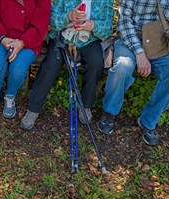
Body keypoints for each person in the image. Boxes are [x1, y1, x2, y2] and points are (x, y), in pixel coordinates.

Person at [20, 0, 115, 129]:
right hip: (63, 38)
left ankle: (85, 105)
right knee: (50, 65)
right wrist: (68, 17)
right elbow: (51, 20)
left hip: (89, 40)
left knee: (96, 62)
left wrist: (93, 25)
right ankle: (33, 109)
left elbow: (107, 29)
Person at [98, 0, 169, 146]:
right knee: (123, 66)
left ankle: (148, 120)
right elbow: (124, 22)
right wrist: (139, 52)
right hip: (130, 39)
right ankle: (110, 111)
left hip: (160, 45)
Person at [0, 0, 51, 119]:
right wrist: (2, 38)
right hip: (2, 38)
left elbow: (41, 23)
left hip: (29, 41)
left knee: (17, 69)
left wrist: (22, 42)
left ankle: (10, 95)